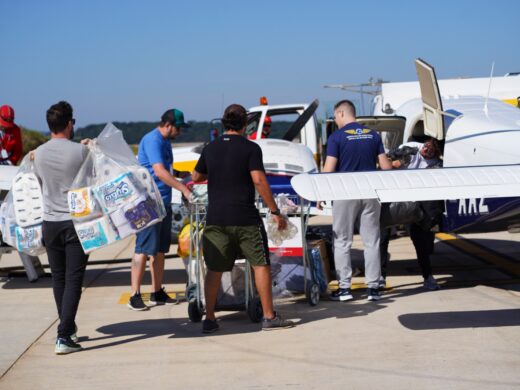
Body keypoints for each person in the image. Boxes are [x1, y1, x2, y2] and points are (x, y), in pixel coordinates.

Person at [192, 104, 294, 333]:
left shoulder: (210, 148)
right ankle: (269, 316)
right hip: (245, 218)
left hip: (216, 219)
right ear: (245, 124)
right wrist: (275, 211)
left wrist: (217, 171)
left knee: (214, 269)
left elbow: (197, 175)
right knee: (260, 265)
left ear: (223, 123)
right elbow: (258, 180)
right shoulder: (251, 148)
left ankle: (209, 318)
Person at [33, 101, 89, 354]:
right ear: (69, 124)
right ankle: (64, 335)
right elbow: (93, 181)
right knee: (74, 280)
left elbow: (41, 183)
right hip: (74, 223)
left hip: (50, 223)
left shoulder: (39, 153)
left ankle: (67, 326)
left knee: (59, 279)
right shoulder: (80, 152)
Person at [322, 100, 392, 302]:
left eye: (335, 117)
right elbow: (386, 167)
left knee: (342, 241)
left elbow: (328, 170)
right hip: (370, 193)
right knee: (372, 241)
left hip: (345, 193)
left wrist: (321, 194)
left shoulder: (336, 137)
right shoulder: (373, 135)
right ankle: (374, 289)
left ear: (342, 113)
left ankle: (344, 289)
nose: (336, 121)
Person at [127, 109, 193, 311]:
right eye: (179, 128)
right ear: (168, 125)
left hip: (162, 202)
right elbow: (159, 171)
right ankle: (134, 295)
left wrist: (185, 174)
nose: (180, 132)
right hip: (146, 202)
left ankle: (157, 292)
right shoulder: (153, 140)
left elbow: (168, 169)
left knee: (160, 250)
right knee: (142, 249)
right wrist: (183, 188)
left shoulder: (164, 142)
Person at [380, 139, 443, 290]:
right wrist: (398, 160)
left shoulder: (435, 164)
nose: (425, 151)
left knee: (420, 242)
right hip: (393, 197)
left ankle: (428, 277)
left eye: (430, 152)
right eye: (426, 148)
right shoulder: (412, 147)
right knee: (382, 237)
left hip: (414, 206)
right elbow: (388, 161)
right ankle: (380, 277)